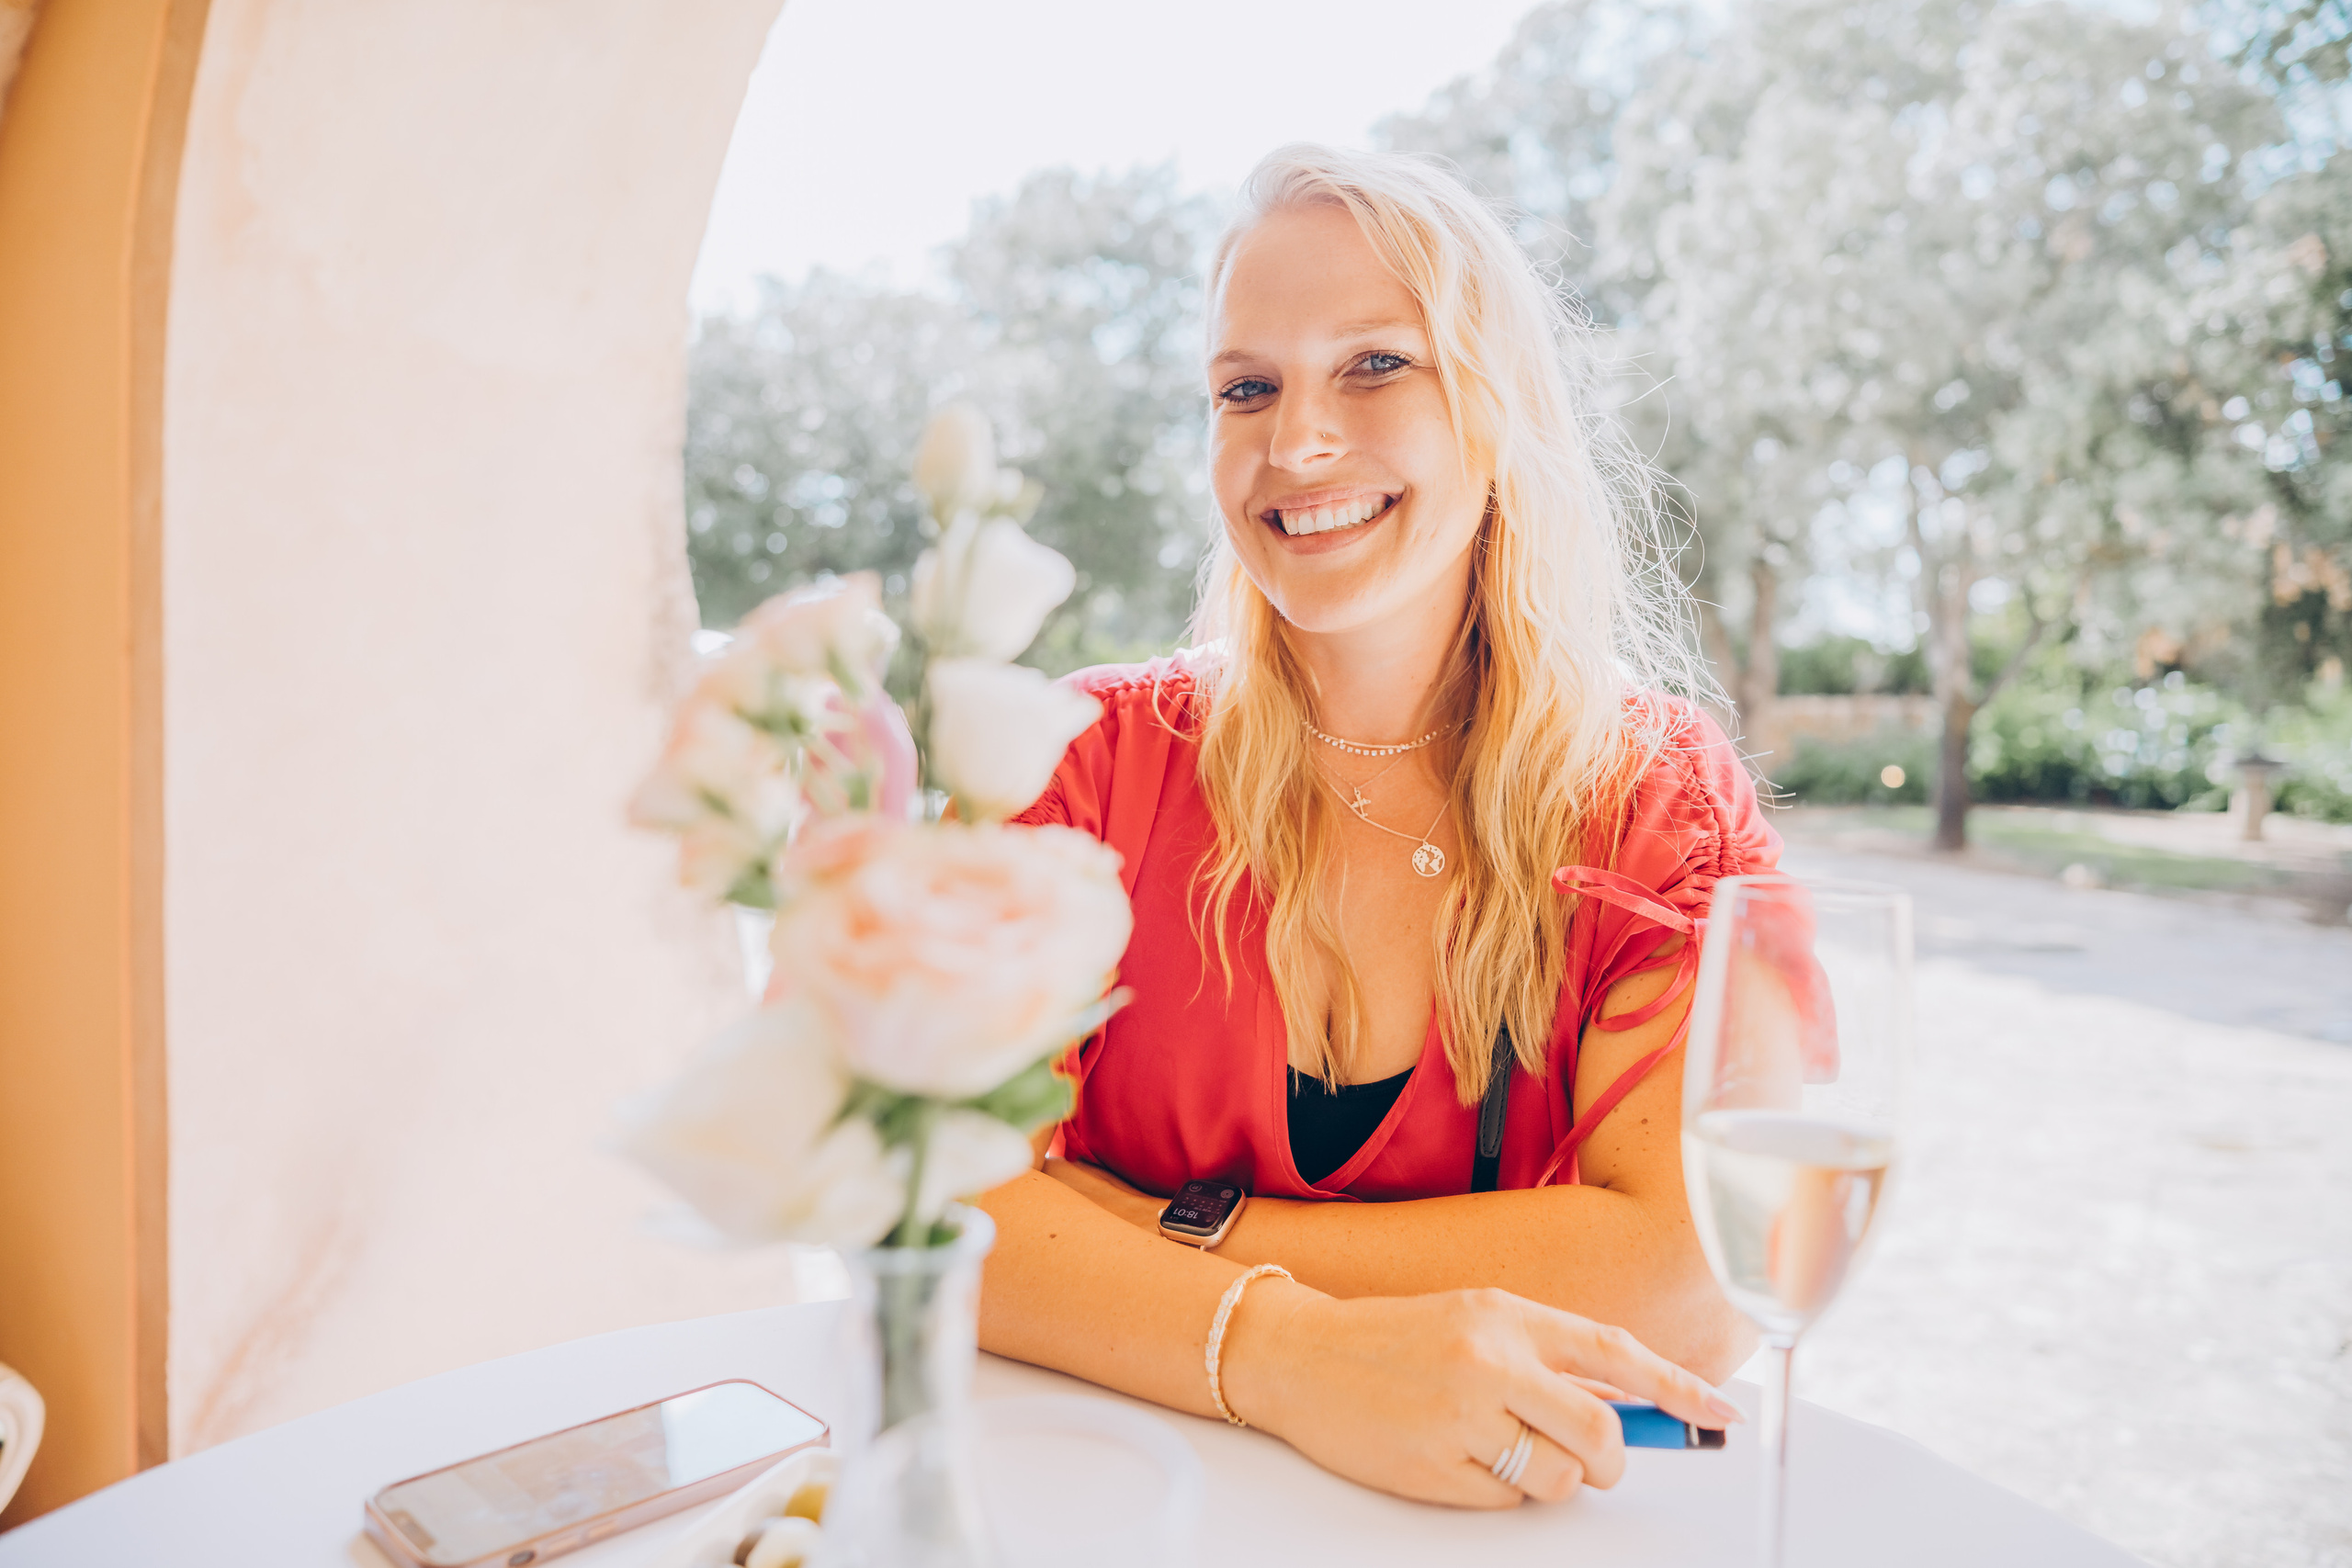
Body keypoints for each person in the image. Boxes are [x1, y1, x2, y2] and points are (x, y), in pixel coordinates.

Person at [976, 143, 1774, 1508]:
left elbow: (1693, 1282)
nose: (1296, 445)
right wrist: (1291, 1353)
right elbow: (931, 1200)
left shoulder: (1660, 801)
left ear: (1500, 409)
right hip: (1106, 1509)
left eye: (1375, 365)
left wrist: (1132, 1233)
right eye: (1247, 389)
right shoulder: (1076, 767)